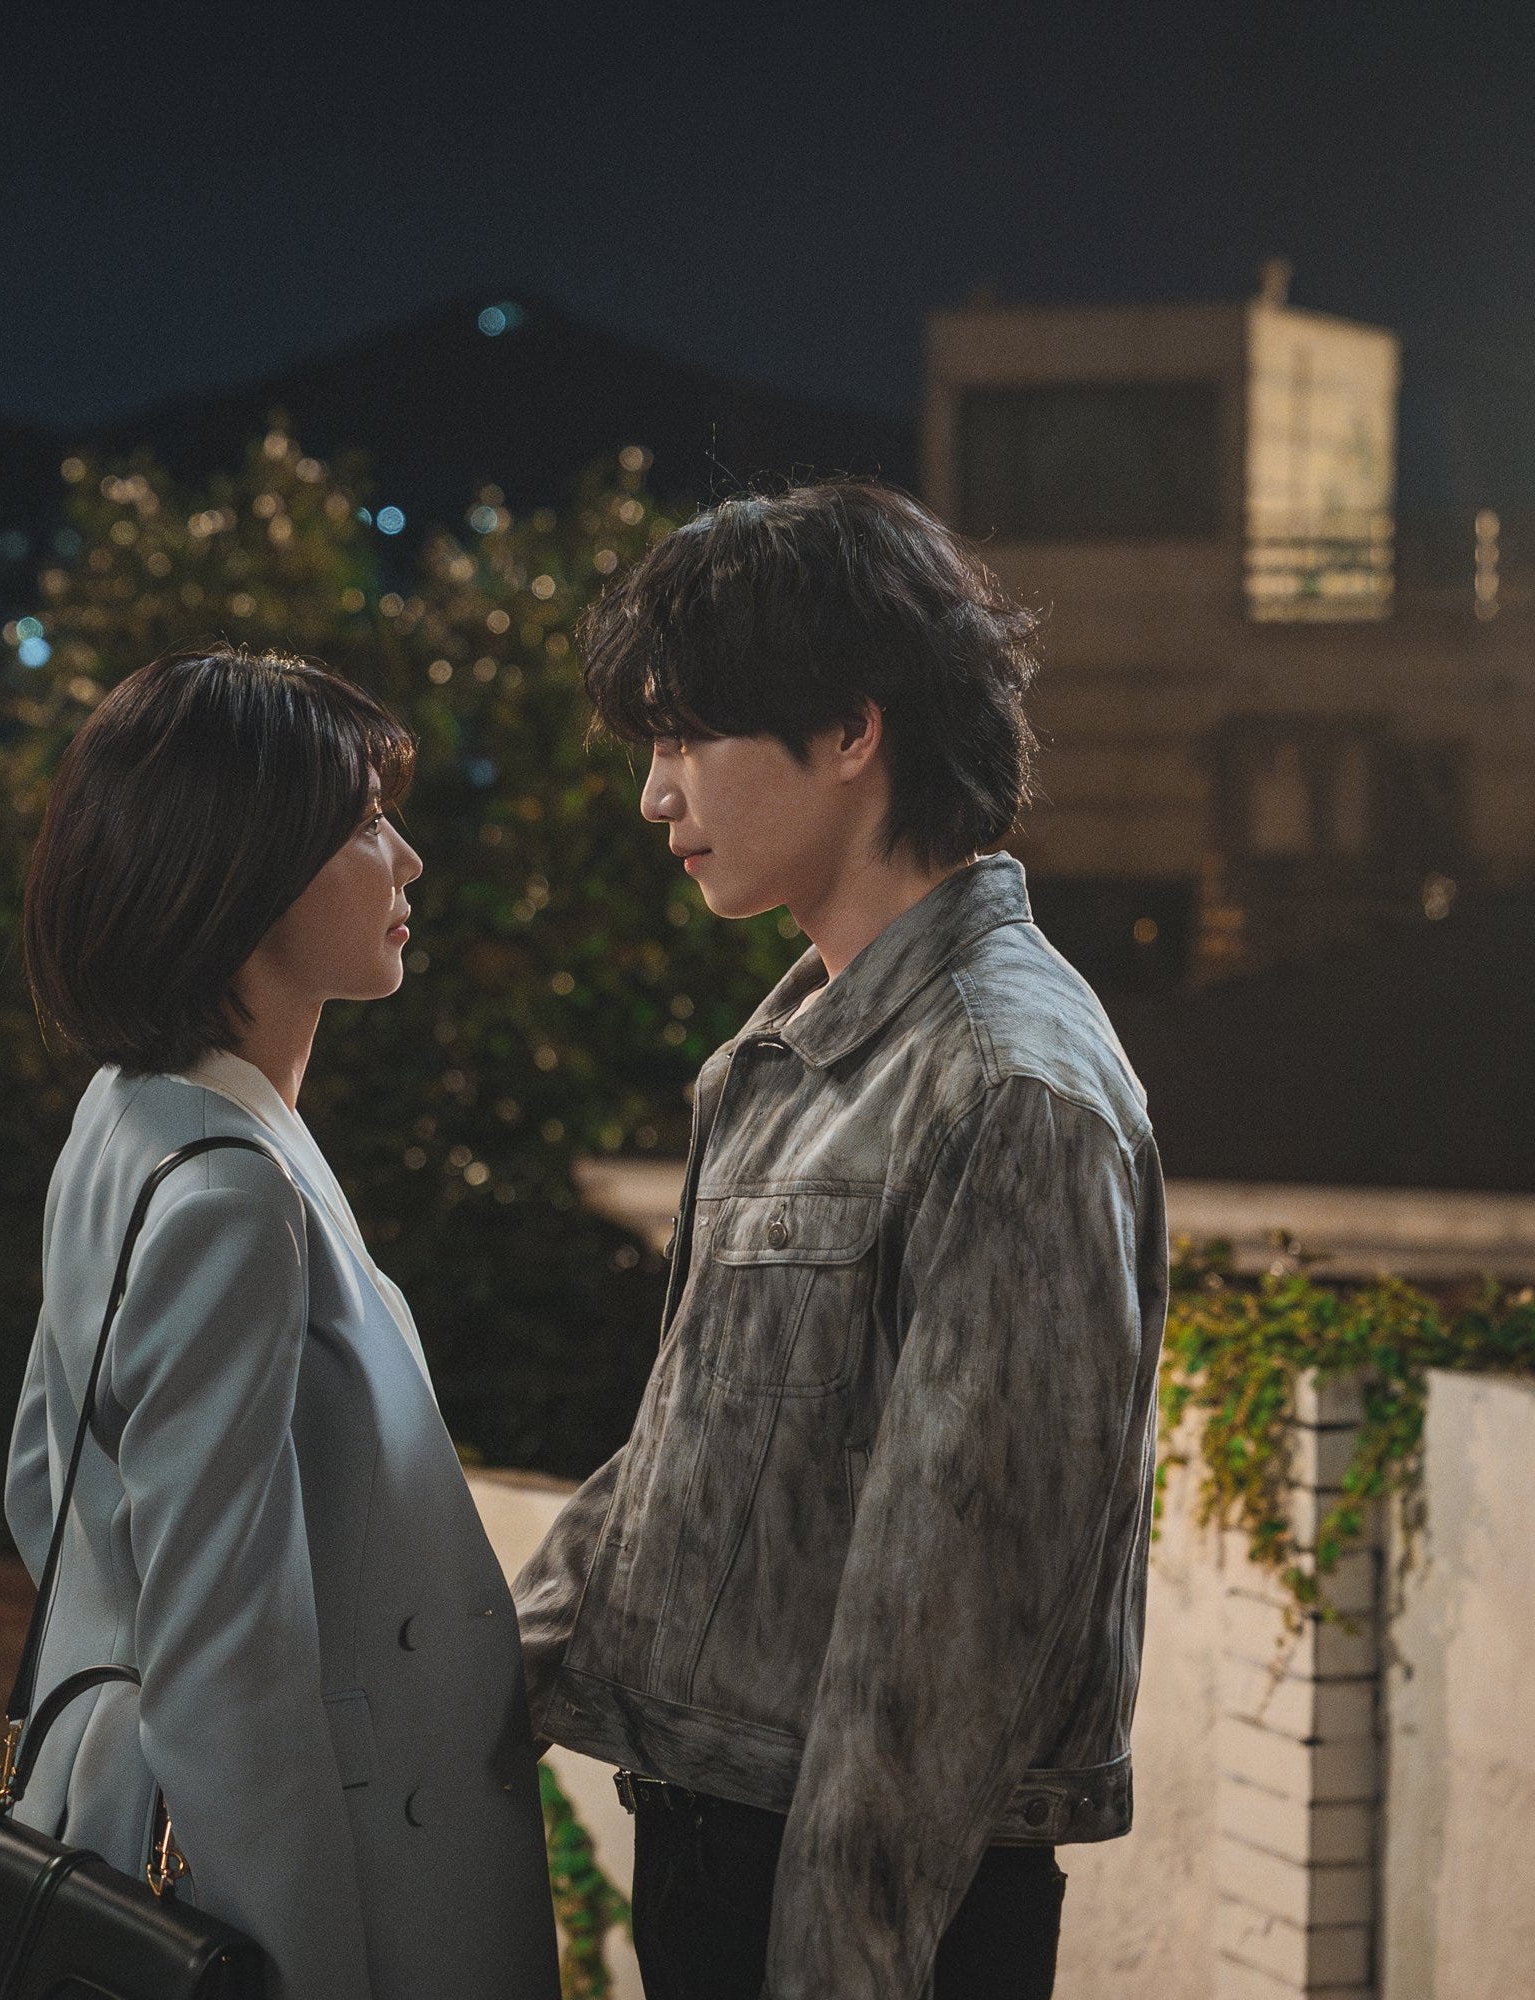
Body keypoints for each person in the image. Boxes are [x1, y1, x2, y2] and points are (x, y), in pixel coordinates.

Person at [514, 484, 1170, 2000]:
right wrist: (463, 1703)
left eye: (686, 739)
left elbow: (956, 1617)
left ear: (854, 729)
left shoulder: (1007, 1082)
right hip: (719, 1840)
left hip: (867, 1900)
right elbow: (694, 1453)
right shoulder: (797, 1051)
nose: (654, 797)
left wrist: (837, 1962)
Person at [7, 645, 561, 2000]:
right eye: (366, 825)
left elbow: (43, 1481)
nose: (408, 862)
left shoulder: (128, 1114)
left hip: (126, 1812)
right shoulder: (232, 1194)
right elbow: (225, 1667)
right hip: (338, 1876)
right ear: (240, 869)